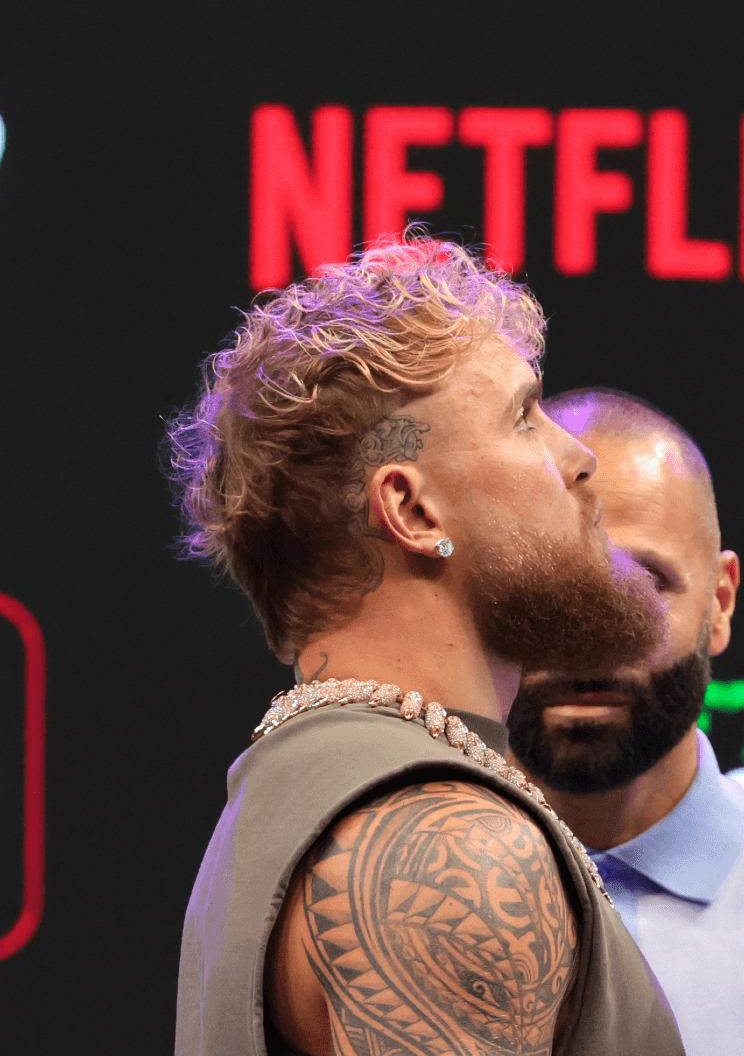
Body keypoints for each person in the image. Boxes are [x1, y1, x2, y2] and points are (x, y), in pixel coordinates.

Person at [168, 233, 684, 1056]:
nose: (580, 458)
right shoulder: (450, 847)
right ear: (411, 511)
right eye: (524, 418)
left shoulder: (298, 790)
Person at [507, 387, 744, 1056]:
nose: (590, 635)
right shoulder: (395, 894)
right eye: (548, 585)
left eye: (643, 581)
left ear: (720, 601)